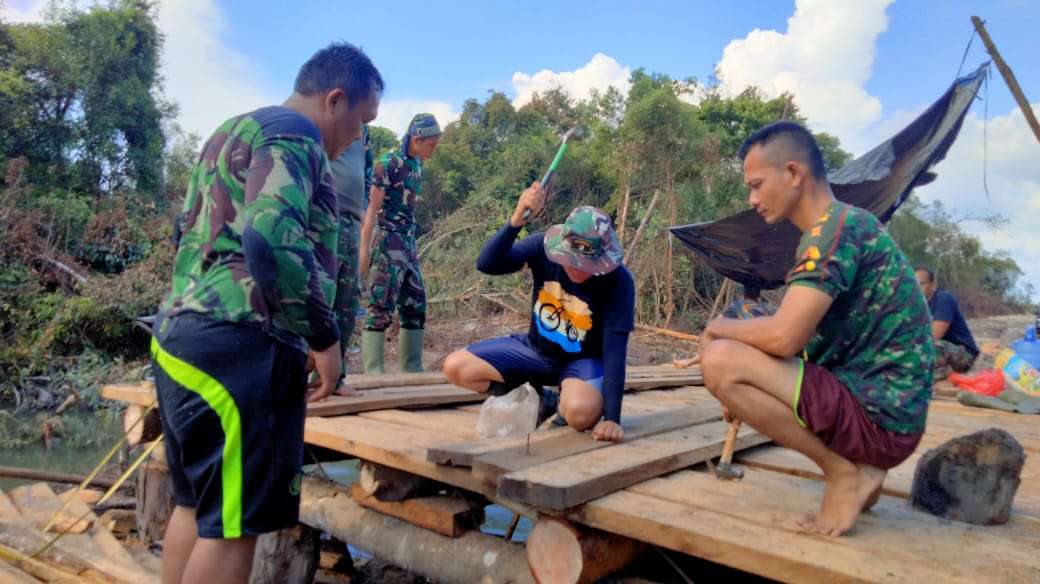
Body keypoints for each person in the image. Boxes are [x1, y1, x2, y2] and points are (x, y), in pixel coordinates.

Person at [149, 43, 382, 583]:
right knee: (235, 528)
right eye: (360, 123)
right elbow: (269, 235)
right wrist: (324, 338)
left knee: (199, 506)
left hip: (180, 333)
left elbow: (186, 231)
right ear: (335, 99)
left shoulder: (232, 130)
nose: (356, 139)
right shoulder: (297, 135)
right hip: (239, 347)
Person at [698, 121, 934, 537]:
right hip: (886, 409)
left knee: (720, 361)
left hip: (880, 417)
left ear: (792, 173)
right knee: (744, 326)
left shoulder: (831, 231)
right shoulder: (842, 224)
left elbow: (784, 338)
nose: (752, 199)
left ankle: (842, 473)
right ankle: (863, 469)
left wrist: (716, 330)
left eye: (756, 184)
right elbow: (786, 334)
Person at [442, 184, 635, 443]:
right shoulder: (542, 247)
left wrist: (612, 418)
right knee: (456, 367)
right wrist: (515, 222)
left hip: (582, 362)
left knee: (580, 414)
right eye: (571, 259)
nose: (577, 268)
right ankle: (542, 399)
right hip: (535, 351)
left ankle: (565, 405)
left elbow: (615, 351)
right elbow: (488, 264)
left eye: (586, 264)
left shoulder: (618, 281)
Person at [359, 113, 441, 374]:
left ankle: (412, 369)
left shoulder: (417, 164)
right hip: (387, 241)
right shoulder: (387, 164)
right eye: (431, 145)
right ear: (417, 139)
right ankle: (373, 372)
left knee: (415, 304)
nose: (433, 151)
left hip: (409, 241)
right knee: (380, 306)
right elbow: (370, 211)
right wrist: (364, 250)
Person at [328, 124, 374, 395]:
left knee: (347, 303)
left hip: (352, 223)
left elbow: (366, 173)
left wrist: (364, 213)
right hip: (325, 216)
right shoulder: (325, 118)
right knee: (319, 297)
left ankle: (334, 379)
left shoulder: (363, 130)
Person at [914, 266, 979, 379]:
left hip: (964, 356)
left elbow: (934, 335)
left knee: (930, 343)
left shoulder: (943, 299)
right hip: (937, 355)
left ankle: (929, 379)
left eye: (921, 284)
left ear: (933, 284)